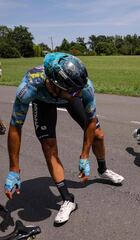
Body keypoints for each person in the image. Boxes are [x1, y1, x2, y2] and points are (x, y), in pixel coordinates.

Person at [4, 52, 124, 225]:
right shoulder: (29, 86)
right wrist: (14, 169)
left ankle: (103, 169)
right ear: (53, 85)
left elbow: (91, 120)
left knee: (98, 134)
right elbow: (16, 126)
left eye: (79, 90)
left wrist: (84, 154)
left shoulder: (82, 87)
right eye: (74, 91)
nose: (79, 94)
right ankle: (68, 199)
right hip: (43, 101)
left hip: (65, 97)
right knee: (48, 146)